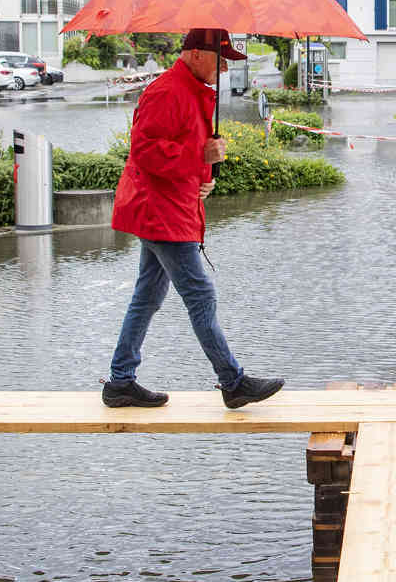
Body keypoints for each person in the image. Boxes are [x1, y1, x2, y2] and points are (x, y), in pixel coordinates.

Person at [102, 27, 284, 410]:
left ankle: (120, 381)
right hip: (161, 212)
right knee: (199, 295)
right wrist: (199, 159)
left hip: (171, 208)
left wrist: (204, 179)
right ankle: (232, 382)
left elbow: (187, 149)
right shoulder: (167, 92)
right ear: (198, 54)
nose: (224, 70)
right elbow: (146, 152)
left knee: (147, 297)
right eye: (221, 60)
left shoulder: (193, 92)